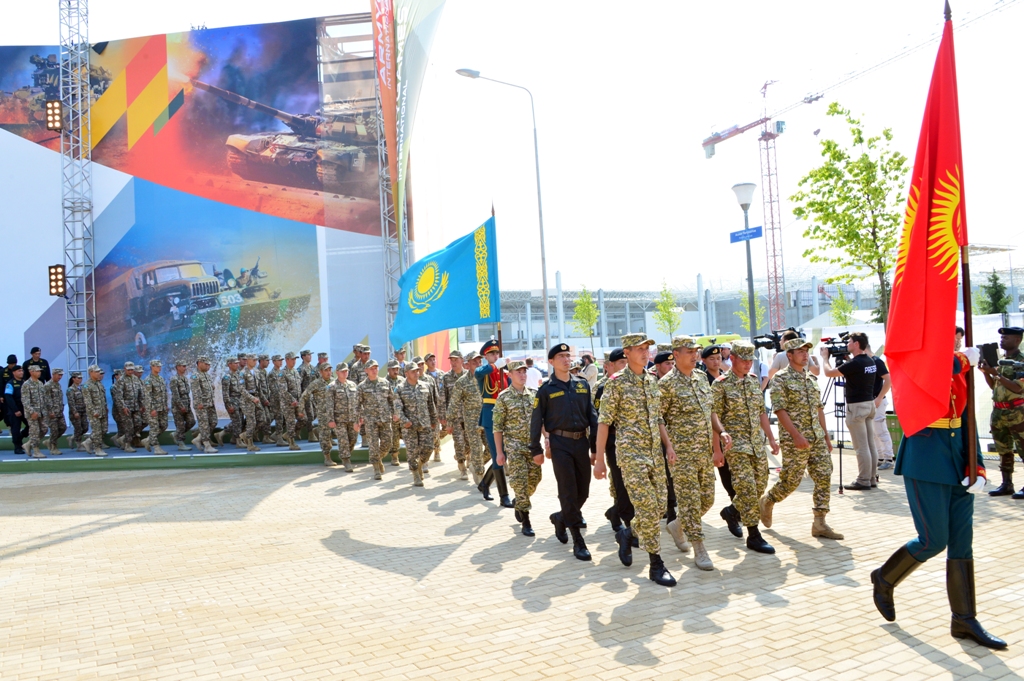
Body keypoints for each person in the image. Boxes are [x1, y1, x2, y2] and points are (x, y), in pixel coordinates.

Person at [870, 348, 1006, 649]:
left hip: (958, 458)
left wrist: (977, 465)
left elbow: (967, 416)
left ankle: (964, 619)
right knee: (933, 539)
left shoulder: (959, 365)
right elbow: (921, 376)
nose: (954, 341)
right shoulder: (917, 359)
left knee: (962, 541)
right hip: (926, 456)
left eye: (956, 337)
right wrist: (959, 361)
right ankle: (885, 578)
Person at [595, 333, 678, 586]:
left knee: (660, 507)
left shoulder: (652, 380)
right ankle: (656, 563)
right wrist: (599, 459)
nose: (645, 353)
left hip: (655, 454)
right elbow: (604, 422)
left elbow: (658, 418)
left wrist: (668, 445)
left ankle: (627, 533)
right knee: (647, 507)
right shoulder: (616, 383)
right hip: (632, 456)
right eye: (639, 349)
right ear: (626, 353)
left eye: (646, 348)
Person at [759, 338, 843, 540]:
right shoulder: (780, 379)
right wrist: (796, 435)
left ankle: (820, 522)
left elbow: (819, 409)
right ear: (789, 355)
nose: (805, 355)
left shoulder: (810, 379)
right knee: (791, 481)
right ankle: (768, 500)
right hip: (794, 439)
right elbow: (779, 409)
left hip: (817, 437)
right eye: (800, 352)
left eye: (807, 351)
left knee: (824, 473)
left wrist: (826, 437)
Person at [660, 336, 727, 571]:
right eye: (689, 351)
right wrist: (668, 446)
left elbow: (711, 411)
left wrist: (721, 431)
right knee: (689, 501)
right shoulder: (666, 384)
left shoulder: (700, 378)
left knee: (707, 498)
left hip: (703, 452)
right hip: (682, 454)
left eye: (695, 351)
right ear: (676, 354)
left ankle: (678, 525)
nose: (694, 354)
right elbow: (659, 419)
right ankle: (699, 548)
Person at [530, 342, 599, 562]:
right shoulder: (545, 390)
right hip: (559, 444)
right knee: (568, 490)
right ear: (551, 362)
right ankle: (578, 539)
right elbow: (535, 421)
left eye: (568, 356)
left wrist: (596, 447)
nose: (566, 359)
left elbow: (593, 416)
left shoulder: (582, 385)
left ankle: (561, 517)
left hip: (581, 442)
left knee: (583, 492)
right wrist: (536, 449)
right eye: (560, 356)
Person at [711, 340, 780, 554]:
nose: (748, 364)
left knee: (760, 487)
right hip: (736, 446)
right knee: (747, 489)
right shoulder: (720, 385)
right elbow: (713, 419)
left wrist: (771, 437)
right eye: (744, 360)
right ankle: (753, 534)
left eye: (751, 360)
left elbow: (761, 412)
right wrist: (717, 449)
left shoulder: (752, 382)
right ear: (732, 359)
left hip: (756, 444)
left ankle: (732, 511)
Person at [820, 331, 879, 491]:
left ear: (856, 344)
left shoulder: (855, 363)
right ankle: (872, 478)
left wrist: (825, 358)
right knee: (870, 444)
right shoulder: (869, 360)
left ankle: (863, 480)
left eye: (849, 342)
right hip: (869, 404)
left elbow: (829, 373)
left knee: (861, 446)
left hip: (857, 407)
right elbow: (856, 372)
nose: (847, 345)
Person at [494, 360, 541, 536]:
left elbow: (541, 422)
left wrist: (547, 438)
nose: (522, 375)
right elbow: (497, 427)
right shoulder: (503, 398)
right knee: (521, 482)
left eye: (524, 372)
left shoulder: (534, 395)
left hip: (533, 447)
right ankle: (526, 520)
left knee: (535, 480)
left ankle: (520, 500)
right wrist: (500, 452)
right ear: (510, 375)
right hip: (514, 447)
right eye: (518, 372)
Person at [979, 326, 1024, 498]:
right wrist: (986, 373)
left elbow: (1018, 388)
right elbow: (995, 387)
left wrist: (996, 374)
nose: (1002, 340)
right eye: (1001, 338)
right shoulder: (1000, 361)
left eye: (1006, 338)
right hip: (999, 412)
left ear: (1017, 340)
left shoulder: (1021, 361)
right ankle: (1007, 484)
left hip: (1017, 412)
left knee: (1023, 449)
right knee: (1003, 450)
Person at [701, 345, 741, 536]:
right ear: (704, 361)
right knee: (727, 475)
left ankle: (736, 511)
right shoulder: (704, 381)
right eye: (711, 359)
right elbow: (711, 414)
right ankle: (734, 511)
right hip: (714, 435)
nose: (716, 362)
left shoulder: (728, 378)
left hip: (733, 435)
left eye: (718, 358)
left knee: (739, 476)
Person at [595, 349, 629, 534]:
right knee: (621, 484)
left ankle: (616, 512)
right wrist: (596, 451)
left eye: (626, 361)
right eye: (621, 362)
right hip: (614, 441)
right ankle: (623, 518)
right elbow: (599, 421)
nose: (625, 365)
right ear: (611, 366)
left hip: (636, 442)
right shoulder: (603, 387)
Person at [476, 339, 514, 508]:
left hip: (505, 416)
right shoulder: (483, 371)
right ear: (486, 356)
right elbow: (478, 373)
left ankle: (485, 483)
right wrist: (495, 365)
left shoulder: (505, 374)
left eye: (497, 353)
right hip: (491, 414)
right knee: (498, 454)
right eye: (492, 354)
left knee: (503, 454)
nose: (495, 356)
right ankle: (503, 495)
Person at [447, 351, 489, 485]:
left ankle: (475, 466)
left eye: (479, 361)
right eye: (474, 362)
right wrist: (450, 422)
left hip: (487, 419)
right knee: (476, 449)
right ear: (468, 364)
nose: (477, 364)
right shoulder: (462, 382)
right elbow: (454, 403)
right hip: (471, 421)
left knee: (491, 448)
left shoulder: (487, 377)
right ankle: (479, 475)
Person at [395, 362, 438, 486]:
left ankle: (420, 464)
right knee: (412, 452)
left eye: (417, 371)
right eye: (413, 371)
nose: (416, 373)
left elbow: (431, 405)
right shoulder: (400, 388)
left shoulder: (425, 386)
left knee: (429, 448)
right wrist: (404, 420)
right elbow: (397, 407)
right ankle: (416, 475)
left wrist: (434, 420)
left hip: (425, 423)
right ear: (406, 373)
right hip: (409, 426)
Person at [357, 359, 399, 480]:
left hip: (385, 418)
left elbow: (392, 400)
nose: (374, 370)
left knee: (387, 443)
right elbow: (357, 405)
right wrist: (358, 419)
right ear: (366, 370)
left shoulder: (385, 383)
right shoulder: (362, 387)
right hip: (371, 420)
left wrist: (395, 413)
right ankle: (376, 468)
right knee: (373, 445)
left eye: (376, 368)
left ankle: (378, 458)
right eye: (371, 368)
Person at [865, 343, 895, 470]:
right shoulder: (866, 362)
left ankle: (888, 458)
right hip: (870, 401)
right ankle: (880, 457)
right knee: (873, 432)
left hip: (878, 401)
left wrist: (879, 397)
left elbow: (889, 380)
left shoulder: (877, 361)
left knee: (880, 430)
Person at [302, 363, 337, 467]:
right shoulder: (316, 383)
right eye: (326, 370)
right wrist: (300, 409)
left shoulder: (335, 382)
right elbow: (304, 395)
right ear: (321, 372)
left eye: (330, 370)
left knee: (340, 432)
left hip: (336, 413)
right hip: (323, 414)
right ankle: (327, 458)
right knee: (325, 436)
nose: (328, 372)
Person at [442, 350, 469, 479]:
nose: (453, 363)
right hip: (455, 416)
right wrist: (447, 421)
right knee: (458, 442)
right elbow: (444, 399)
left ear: (462, 360)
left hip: (470, 416)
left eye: (456, 360)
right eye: (451, 360)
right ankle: (462, 465)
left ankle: (463, 455)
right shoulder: (446, 378)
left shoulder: (470, 376)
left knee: (469, 443)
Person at [328, 362, 359, 471]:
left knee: (353, 439)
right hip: (339, 419)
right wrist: (331, 420)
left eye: (346, 371)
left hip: (352, 418)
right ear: (337, 373)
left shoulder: (353, 385)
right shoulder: (332, 386)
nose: (345, 373)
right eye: (342, 371)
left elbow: (358, 402)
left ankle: (346, 454)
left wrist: (359, 417)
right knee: (343, 440)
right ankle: (346, 460)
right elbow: (329, 404)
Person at [190, 356, 219, 453]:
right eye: (206, 364)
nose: (208, 366)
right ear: (199, 363)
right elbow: (196, 391)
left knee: (214, 421)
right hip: (201, 404)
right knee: (204, 424)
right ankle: (207, 445)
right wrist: (199, 403)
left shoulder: (207, 375)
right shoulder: (195, 376)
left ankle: (198, 439)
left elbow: (209, 387)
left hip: (209, 403)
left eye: (209, 364)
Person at [82, 365, 109, 456]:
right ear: (91, 373)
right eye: (96, 372)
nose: (98, 374)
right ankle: (97, 449)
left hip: (102, 410)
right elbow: (88, 401)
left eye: (99, 372)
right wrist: (93, 411)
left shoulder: (99, 383)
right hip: (94, 412)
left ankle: (88, 442)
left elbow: (102, 397)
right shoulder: (87, 385)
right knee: (97, 431)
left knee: (103, 430)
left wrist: (105, 407)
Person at [168, 360, 195, 451]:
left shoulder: (184, 378)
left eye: (185, 366)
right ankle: (180, 443)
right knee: (180, 425)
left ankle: (176, 434)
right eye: (183, 366)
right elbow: (175, 394)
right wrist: (180, 406)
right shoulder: (174, 379)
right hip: (178, 407)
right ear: (177, 367)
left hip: (186, 405)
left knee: (191, 421)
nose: (185, 368)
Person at [22, 364, 47, 458]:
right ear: (31, 372)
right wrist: (32, 411)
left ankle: (28, 444)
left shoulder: (40, 383)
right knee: (35, 431)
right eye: (37, 371)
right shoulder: (26, 384)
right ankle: (36, 451)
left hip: (40, 412)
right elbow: (25, 400)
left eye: (40, 371)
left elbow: (43, 399)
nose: (39, 373)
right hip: (32, 413)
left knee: (44, 429)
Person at [280, 352, 304, 450]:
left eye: (295, 359)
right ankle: (291, 443)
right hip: (288, 403)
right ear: (287, 360)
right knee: (290, 423)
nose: (294, 361)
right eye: (292, 359)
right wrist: (292, 400)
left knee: (304, 419)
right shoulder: (283, 373)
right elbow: (283, 390)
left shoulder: (295, 371)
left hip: (297, 401)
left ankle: (288, 435)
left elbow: (299, 387)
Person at [43, 368, 67, 455]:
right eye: (59, 375)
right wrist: (50, 411)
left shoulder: (58, 385)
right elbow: (46, 400)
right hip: (52, 412)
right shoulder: (47, 385)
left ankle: (49, 441)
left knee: (63, 427)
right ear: (53, 374)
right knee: (54, 430)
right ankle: (53, 447)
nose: (60, 377)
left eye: (61, 375)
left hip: (59, 411)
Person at [3, 365, 27, 454]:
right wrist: (16, 410)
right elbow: (9, 398)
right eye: (19, 371)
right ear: (14, 373)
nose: (21, 372)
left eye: (22, 371)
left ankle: (21, 437)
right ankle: (17, 447)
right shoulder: (10, 384)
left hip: (25, 409)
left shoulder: (25, 382)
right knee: (15, 429)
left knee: (30, 426)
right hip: (15, 410)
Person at [384, 359, 403, 466]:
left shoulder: (402, 380)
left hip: (402, 412)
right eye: (393, 369)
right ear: (388, 370)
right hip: (391, 413)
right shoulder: (384, 382)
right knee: (394, 435)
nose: (396, 371)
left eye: (397, 369)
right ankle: (394, 456)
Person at [66, 370, 88, 451]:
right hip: (76, 412)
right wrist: (75, 412)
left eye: (81, 378)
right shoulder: (70, 390)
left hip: (83, 411)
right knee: (78, 428)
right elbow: (71, 402)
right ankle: (79, 445)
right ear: (73, 379)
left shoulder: (82, 388)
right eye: (78, 378)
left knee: (85, 428)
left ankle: (72, 438)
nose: (80, 379)